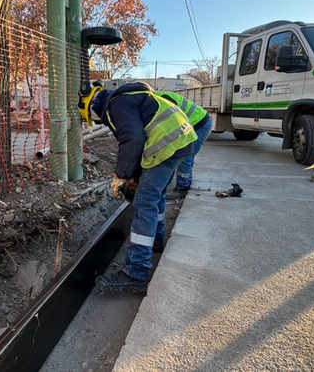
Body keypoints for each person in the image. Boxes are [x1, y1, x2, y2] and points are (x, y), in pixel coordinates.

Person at [78, 81, 196, 292]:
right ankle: (156, 241)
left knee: (144, 202)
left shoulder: (116, 104)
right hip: (181, 141)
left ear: (92, 106)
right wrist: (133, 175)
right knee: (155, 194)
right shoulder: (131, 98)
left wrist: (122, 176)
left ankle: (136, 271)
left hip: (168, 143)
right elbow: (140, 139)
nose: (97, 121)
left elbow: (133, 139)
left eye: (92, 117)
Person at [156, 91, 213, 199]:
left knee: (186, 155)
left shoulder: (161, 99)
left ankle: (182, 188)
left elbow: (171, 122)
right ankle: (182, 183)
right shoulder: (155, 98)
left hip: (199, 124)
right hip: (195, 122)